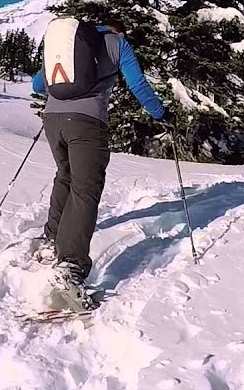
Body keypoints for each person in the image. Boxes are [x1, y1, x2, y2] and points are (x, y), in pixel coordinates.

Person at [30, 17, 168, 310]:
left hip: (53, 120)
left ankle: (49, 240)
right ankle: (70, 269)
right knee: (85, 189)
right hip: (87, 123)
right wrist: (160, 113)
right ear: (121, 29)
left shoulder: (68, 45)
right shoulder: (119, 44)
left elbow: (38, 84)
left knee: (65, 176)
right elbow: (138, 84)